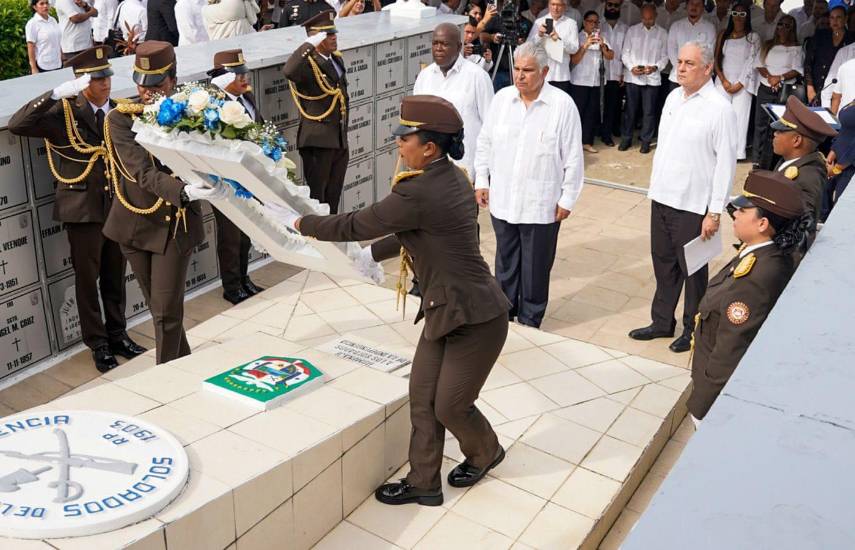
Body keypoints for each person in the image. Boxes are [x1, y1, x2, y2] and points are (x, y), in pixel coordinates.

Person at [264, 95, 511, 506]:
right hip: (443, 310)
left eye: (405, 138)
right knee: (422, 398)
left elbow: (356, 224)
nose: (399, 144)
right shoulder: (449, 178)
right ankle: (423, 483)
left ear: (429, 147)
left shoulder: (421, 192)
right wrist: (369, 257)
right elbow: (408, 233)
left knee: (451, 406)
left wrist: (295, 221)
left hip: (477, 317)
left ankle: (487, 451)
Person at [8, 46, 146, 373]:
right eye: (97, 79)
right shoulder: (63, 112)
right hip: (82, 208)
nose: (105, 84)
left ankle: (118, 334)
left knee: (115, 274)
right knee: (88, 280)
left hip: (117, 203)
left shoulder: (120, 110)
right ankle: (98, 344)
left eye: (107, 76)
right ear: (81, 82)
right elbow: (18, 124)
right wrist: (54, 93)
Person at [103, 41, 224, 364]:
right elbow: (140, 172)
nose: (146, 91)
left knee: (167, 311)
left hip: (175, 225)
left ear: (172, 79)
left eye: (155, 83)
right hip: (135, 224)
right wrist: (184, 190)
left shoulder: (193, 107)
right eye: (141, 82)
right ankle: (181, 366)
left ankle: (166, 378)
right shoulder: (121, 118)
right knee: (160, 311)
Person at [629, 41, 737, 353]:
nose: (681, 68)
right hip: (663, 196)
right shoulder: (674, 96)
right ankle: (662, 321)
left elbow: (725, 166)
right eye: (679, 61)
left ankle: (692, 328)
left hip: (693, 203)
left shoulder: (720, 109)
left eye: (690, 63)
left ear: (707, 68)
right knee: (663, 264)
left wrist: (714, 211)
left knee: (693, 270)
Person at [475, 42, 584, 329]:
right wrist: (482, 180)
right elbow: (485, 142)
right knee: (506, 264)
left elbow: (573, 157)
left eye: (527, 71)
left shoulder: (562, 106)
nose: (520, 76)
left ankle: (531, 319)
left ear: (545, 72)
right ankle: (504, 316)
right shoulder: (502, 100)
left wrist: (568, 198)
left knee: (535, 269)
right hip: (504, 200)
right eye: (517, 69)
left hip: (541, 204)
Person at [688, 170, 808, 423]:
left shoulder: (755, 277)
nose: (735, 214)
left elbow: (731, 348)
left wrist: (701, 406)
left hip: (712, 391)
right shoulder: (763, 253)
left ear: (762, 224)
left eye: (743, 211)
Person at [208, 49, 266, 305]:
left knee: (246, 231)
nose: (245, 78)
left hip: (249, 176)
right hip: (227, 180)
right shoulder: (214, 105)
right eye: (238, 73)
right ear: (223, 77)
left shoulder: (247, 97)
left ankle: (244, 278)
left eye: (245, 72)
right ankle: (231, 286)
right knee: (230, 235)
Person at [283, 10, 349, 214]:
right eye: (328, 35)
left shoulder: (335, 59)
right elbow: (289, 71)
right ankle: (319, 243)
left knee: (333, 197)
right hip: (317, 141)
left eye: (333, 33)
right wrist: (309, 44)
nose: (334, 37)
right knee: (318, 200)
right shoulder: (308, 63)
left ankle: (332, 241)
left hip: (338, 139)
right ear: (316, 37)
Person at [414, 23, 494, 180]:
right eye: (435, 43)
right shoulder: (425, 77)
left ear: (458, 47)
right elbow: (416, 124)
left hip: (465, 171)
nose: (438, 48)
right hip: (430, 170)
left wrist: (484, 175)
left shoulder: (477, 77)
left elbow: (490, 128)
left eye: (444, 44)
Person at [770, 95, 837, 247]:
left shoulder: (808, 177)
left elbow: (801, 233)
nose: (774, 134)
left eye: (780, 132)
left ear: (796, 141)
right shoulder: (787, 163)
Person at [752, 14, 803, 169]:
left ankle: (775, 160)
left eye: (788, 25)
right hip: (766, 87)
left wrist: (779, 78)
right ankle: (757, 159)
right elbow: (759, 64)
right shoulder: (768, 45)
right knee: (760, 124)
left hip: (784, 90)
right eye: (781, 24)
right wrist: (770, 77)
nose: (783, 28)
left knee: (779, 125)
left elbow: (797, 70)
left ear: (793, 29)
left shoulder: (796, 48)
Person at [713, 0, 761, 160]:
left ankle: (737, 153)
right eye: (735, 13)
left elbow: (751, 62)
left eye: (742, 14)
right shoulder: (723, 35)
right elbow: (717, 59)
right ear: (731, 15)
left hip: (743, 84)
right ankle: (717, 147)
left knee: (740, 118)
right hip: (723, 82)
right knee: (720, 116)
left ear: (747, 17)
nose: (738, 17)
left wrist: (739, 84)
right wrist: (724, 80)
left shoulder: (753, 37)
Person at [620, 2, 668, 153]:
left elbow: (666, 56)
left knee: (649, 112)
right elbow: (625, 53)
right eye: (645, 18)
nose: (647, 21)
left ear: (656, 16)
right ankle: (626, 139)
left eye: (650, 18)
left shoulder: (663, 33)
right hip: (633, 78)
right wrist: (631, 67)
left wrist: (655, 67)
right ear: (641, 16)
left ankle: (645, 141)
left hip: (652, 78)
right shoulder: (632, 31)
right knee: (630, 110)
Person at [570, 11, 614, 153]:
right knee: (577, 112)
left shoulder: (603, 37)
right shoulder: (577, 37)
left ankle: (586, 142)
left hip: (596, 81)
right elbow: (574, 59)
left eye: (596, 22)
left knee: (591, 112)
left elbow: (610, 56)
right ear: (584, 22)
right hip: (579, 81)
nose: (594, 24)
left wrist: (602, 46)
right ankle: (573, 142)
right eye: (591, 21)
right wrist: (586, 45)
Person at [804, 1, 853, 105]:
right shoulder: (820, 35)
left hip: (840, 90)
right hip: (816, 86)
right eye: (832, 17)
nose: (835, 21)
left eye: (838, 17)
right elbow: (808, 62)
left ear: (846, 19)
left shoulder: (852, 39)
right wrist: (810, 87)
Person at [528, 0, 580, 95]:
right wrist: (539, 35)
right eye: (553, 4)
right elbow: (528, 47)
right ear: (548, 5)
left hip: (561, 74)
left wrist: (559, 39)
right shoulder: (539, 22)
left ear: (564, 6)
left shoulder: (571, 23)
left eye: (559, 5)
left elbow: (574, 49)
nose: (555, 8)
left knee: (559, 106)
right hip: (541, 73)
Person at [666, 0, 717, 91]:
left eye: (698, 4)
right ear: (686, 6)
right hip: (677, 77)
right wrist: (682, 67)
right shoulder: (676, 26)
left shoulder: (709, 28)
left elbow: (709, 53)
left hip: (699, 79)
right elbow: (671, 50)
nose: (694, 7)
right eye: (692, 4)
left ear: (703, 8)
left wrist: (694, 70)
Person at [599, 0, 629, 146]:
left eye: (616, 6)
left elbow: (627, 52)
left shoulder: (625, 28)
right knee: (602, 105)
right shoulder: (599, 27)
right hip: (600, 73)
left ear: (620, 8)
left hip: (617, 72)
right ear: (605, 6)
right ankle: (604, 133)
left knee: (615, 105)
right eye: (610, 5)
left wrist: (624, 71)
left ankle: (612, 130)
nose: (612, 8)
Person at [26, 0, 62, 74]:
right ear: (35, 7)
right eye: (41, 4)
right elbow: (30, 47)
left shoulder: (53, 20)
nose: (45, 6)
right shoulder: (32, 23)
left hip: (58, 63)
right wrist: (33, 68)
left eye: (46, 3)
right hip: (43, 65)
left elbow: (57, 40)